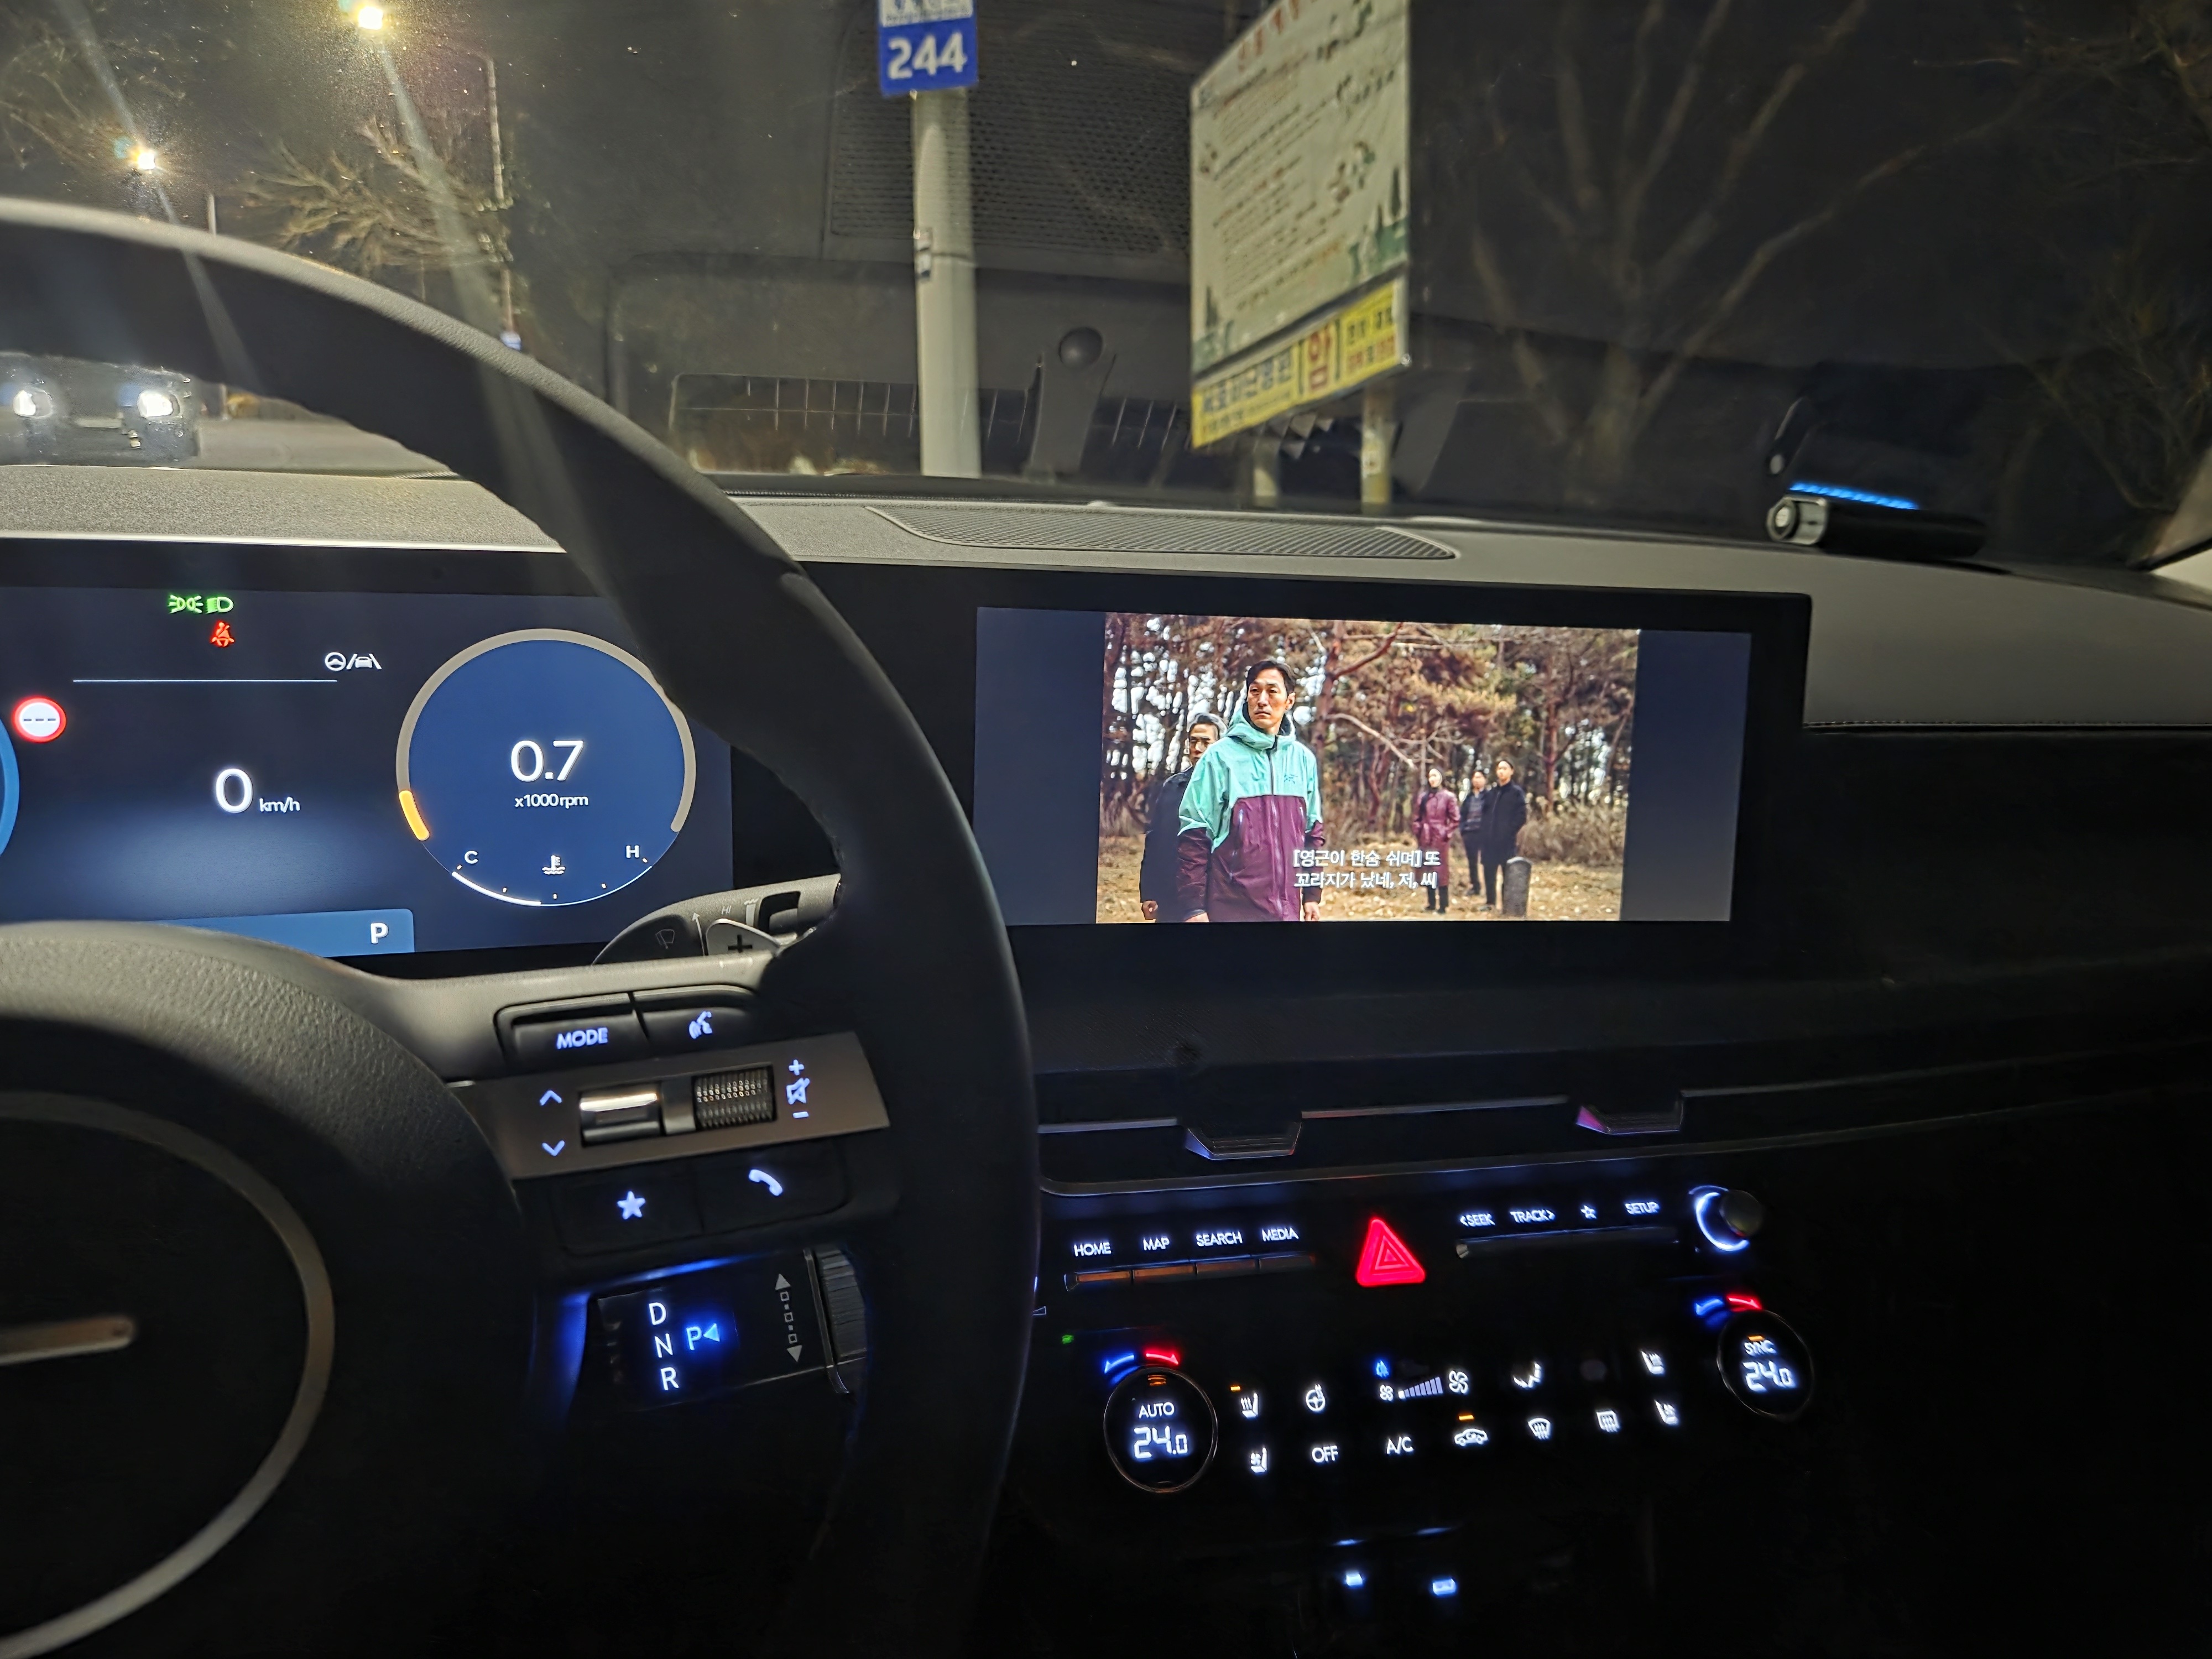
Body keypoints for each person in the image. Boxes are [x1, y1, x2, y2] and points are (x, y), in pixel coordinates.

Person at [1175, 659, 1325, 922]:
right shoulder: (1219, 757)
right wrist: (1194, 908)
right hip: (1230, 910)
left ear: (1289, 701)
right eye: (1255, 691)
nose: (1262, 700)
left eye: (1272, 691)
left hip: (1287, 912)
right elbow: (1194, 835)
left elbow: (1313, 834)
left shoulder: (1303, 760)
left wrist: (1312, 895)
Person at [1138, 715, 1220, 921]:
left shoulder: (1228, 788)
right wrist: (1150, 892)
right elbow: (1156, 840)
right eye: (1193, 741)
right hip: (1170, 897)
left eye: (1206, 742)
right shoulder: (1173, 786)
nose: (1198, 748)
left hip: (1214, 898)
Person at [1479, 759, 1528, 909]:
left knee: (1508, 874)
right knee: (1489, 873)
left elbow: (1521, 816)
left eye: (1505, 768)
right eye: (1499, 768)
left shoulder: (1516, 793)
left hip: (1506, 842)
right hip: (1489, 841)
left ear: (1512, 771)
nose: (1501, 771)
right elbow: (1484, 814)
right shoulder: (1491, 793)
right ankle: (1490, 903)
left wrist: (1509, 832)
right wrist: (1484, 832)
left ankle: (1508, 904)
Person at [1412, 765, 1460, 912]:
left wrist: (1446, 833)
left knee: (1441, 871)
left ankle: (1443, 905)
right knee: (1428, 870)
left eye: (1435, 776)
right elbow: (1417, 817)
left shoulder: (1449, 797)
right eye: (1430, 776)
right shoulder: (1423, 797)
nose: (1432, 779)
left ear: (1441, 778)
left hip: (1440, 838)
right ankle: (1431, 903)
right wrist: (1418, 830)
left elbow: (1455, 819)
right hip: (1425, 837)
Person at [1458, 771, 1487, 904]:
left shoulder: (1489, 797)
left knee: (1487, 861)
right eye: (1475, 777)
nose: (1477, 780)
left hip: (1484, 833)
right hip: (1470, 832)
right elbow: (1462, 815)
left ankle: (1489, 888)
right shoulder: (1469, 798)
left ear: (1485, 780)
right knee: (1472, 862)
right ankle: (1475, 886)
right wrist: (1463, 829)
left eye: (1480, 777)